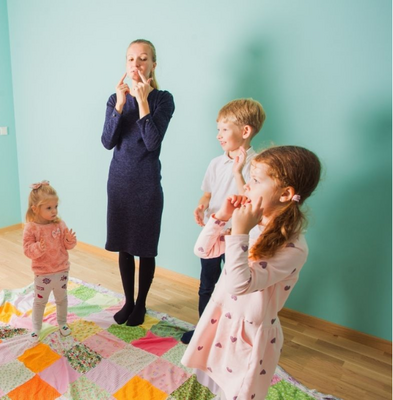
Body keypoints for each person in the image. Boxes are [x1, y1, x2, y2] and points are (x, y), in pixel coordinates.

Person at [180, 146, 321, 400]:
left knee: (240, 392)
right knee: (217, 384)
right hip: (222, 320)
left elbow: (239, 284)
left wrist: (240, 232)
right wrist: (222, 217)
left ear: (286, 194)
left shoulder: (293, 247)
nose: (246, 186)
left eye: (255, 180)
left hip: (249, 337)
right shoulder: (254, 223)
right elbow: (203, 250)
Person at [101, 39, 175, 326]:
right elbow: (108, 142)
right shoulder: (114, 99)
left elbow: (152, 144)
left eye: (143, 59)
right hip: (118, 182)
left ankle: (141, 304)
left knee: (144, 247)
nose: (136, 64)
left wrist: (142, 100)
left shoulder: (163, 99)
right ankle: (128, 301)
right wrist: (121, 104)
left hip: (146, 185)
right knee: (124, 246)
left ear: (153, 65)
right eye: (131, 59)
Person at [182, 98, 266, 344]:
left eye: (224, 129)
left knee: (232, 289)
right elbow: (208, 193)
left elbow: (250, 198)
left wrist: (238, 172)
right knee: (206, 284)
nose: (218, 135)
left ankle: (228, 335)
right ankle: (203, 331)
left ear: (245, 131)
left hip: (238, 239)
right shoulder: (216, 163)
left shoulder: (259, 165)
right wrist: (202, 205)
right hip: (213, 233)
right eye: (218, 129)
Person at [22, 181, 77, 340]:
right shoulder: (31, 228)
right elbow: (27, 250)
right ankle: (36, 328)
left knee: (62, 299)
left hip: (61, 271)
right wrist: (38, 247)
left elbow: (67, 246)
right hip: (42, 274)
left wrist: (70, 240)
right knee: (40, 303)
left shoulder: (59, 224)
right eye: (49, 208)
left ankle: (62, 322)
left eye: (56, 207)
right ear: (35, 209)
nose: (54, 211)